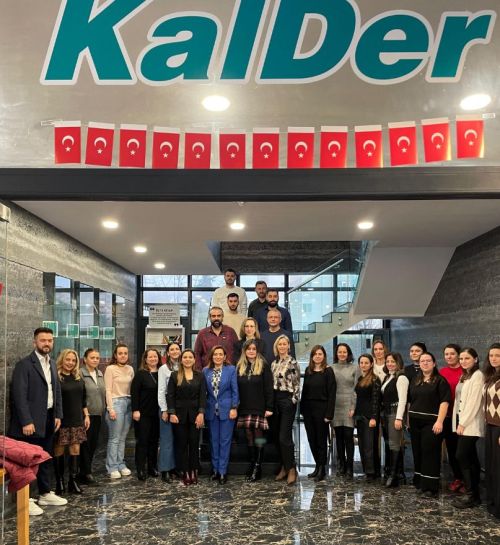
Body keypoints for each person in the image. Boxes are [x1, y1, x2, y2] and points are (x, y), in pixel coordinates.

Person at [8, 327, 67, 515]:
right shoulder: (24, 365)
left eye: (50, 340)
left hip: (48, 419)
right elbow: (19, 396)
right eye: (43, 340)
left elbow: (56, 391)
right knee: (27, 462)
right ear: (35, 342)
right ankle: (25, 500)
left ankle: (45, 493)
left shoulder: (52, 364)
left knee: (45, 457)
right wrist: (26, 421)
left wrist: (58, 414)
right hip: (30, 423)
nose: (47, 343)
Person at [408, 352, 450, 497]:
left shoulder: (440, 381)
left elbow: (444, 402)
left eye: (428, 361)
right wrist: (407, 419)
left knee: (430, 453)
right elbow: (411, 401)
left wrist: (440, 421)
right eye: (422, 361)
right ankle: (421, 483)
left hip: (432, 422)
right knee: (418, 452)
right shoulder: (416, 379)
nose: (425, 363)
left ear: (434, 363)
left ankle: (431, 487)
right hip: (415, 421)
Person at [236, 339, 274, 482]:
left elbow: (269, 388)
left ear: (257, 351)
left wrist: (269, 407)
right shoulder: (239, 366)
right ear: (244, 351)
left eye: (254, 349)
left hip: (259, 406)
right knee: (248, 435)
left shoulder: (263, 365)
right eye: (248, 349)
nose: (251, 351)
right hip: (244, 406)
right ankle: (252, 463)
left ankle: (258, 466)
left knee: (259, 436)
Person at [451, 348, 484, 509]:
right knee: (471, 457)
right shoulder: (465, 375)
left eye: (467, 358)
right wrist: (457, 421)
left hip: (470, 423)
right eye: (461, 359)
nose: (463, 361)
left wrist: (462, 423)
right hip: (462, 420)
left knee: (462, 455)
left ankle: (471, 494)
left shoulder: (478, 375)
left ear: (475, 359)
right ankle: (474, 495)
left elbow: (473, 402)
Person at [167, 349, 206, 486]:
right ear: (181, 360)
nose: (188, 359)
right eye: (185, 357)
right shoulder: (174, 375)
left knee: (194, 444)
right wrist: (172, 413)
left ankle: (194, 470)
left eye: (190, 357)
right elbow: (170, 395)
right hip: (179, 415)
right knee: (182, 444)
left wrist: (201, 413)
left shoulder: (200, 375)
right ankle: (185, 471)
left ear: (194, 360)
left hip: (196, 415)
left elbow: (202, 396)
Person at [53, 349, 89, 495]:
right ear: (62, 359)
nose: (70, 363)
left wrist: (86, 415)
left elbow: (83, 398)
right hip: (61, 419)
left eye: (73, 360)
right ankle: (59, 482)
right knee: (59, 450)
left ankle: (72, 481)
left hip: (77, 418)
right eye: (68, 359)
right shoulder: (56, 377)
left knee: (75, 449)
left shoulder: (78, 377)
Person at [203, 346, 239, 484]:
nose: (217, 357)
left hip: (227, 410)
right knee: (214, 441)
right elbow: (204, 392)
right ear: (211, 357)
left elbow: (235, 390)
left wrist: (234, 407)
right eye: (215, 354)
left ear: (224, 357)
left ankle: (223, 471)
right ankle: (215, 470)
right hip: (211, 410)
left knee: (225, 441)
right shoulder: (206, 371)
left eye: (220, 354)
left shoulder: (231, 370)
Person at [300, 345, 336, 482]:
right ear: (312, 356)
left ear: (324, 356)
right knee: (311, 439)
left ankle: (322, 469)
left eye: (320, 354)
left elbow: (332, 393)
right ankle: (317, 466)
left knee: (321, 440)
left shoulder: (328, 371)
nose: (317, 356)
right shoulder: (308, 370)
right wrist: (302, 410)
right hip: (308, 409)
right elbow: (304, 391)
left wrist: (329, 414)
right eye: (315, 354)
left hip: (322, 409)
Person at [272, 335, 300, 485]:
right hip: (275, 401)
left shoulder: (292, 362)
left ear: (288, 346)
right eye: (280, 344)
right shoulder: (274, 363)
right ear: (276, 347)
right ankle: (284, 466)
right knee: (277, 437)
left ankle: (292, 469)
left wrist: (292, 401)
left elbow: (297, 385)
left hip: (287, 401)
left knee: (285, 437)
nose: (282, 346)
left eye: (284, 344)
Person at [104, 343, 134, 479]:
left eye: (125, 353)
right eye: (120, 353)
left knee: (123, 438)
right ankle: (112, 467)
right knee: (114, 438)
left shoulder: (130, 369)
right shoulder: (110, 369)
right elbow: (108, 390)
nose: (123, 355)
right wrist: (110, 408)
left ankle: (121, 464)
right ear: (115, 355)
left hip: (128, 403)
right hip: (116, 403)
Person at [380, 352, 409, 488]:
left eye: (393, 361)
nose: (390, 364)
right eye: (388, 361)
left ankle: (393, 476)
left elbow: (403, 400)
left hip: (395, 414)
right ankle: (397, 474)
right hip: (386, 414)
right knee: (389, 444)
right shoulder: (388, 377)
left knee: (395, 445)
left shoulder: (401, 378)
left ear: (398, 363)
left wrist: (399, 418)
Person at [131, 349, 160, 480]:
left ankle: (152, 467)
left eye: (155, 356)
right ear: (145, 359)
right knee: (142, 441)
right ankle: (141, 468)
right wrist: (135, 410)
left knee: (154, 441)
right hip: (143, 413)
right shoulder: (140, 374)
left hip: (157, 413)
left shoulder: (161, 372)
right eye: (150, 357)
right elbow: (134, 393)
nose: (153, 359)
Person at [78, 348, 105, 485]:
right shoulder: (80, 373)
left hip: (98, 414)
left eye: (97, 358)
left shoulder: (99, 373)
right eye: (92, 357)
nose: (95, 360)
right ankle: (85, 473)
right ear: (85, 359)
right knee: (85, 445)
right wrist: (85, 413)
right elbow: (81, 395)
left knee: (93, 444)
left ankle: (87, 470)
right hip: (86, 415)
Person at [439, 343, 464, 492]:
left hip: (462, 416)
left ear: (458, 355)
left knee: (464, 450)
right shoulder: (442, 372)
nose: (449, 356)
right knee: (452, 448)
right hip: (448, 416)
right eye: (446, 354)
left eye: (452, 354)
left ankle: (467, 480)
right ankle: (458, 478)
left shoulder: (465, 371)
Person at [332, 343, 357, 479]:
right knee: (339, 437)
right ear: (336, 354)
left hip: (349, 405)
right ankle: (341, 464)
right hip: (336, 405)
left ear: (348, 354)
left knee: (348, 436)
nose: (342, 354)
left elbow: (356, 389)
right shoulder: (331, 368)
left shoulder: (355, 368)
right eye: (339, 352)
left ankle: (350, 467)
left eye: (344, 352)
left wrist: (353, 407)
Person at [353, 354, 381, 481]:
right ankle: (367, 470)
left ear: (371, 364)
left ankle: (371, 472)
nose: (363, 365)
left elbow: (376, 400)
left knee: (369, 445)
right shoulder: (360, 378)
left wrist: (374, 417)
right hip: (360, 416)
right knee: (362, 445)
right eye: (361, 363)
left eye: (366, 363)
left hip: (370, 417)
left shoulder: (375, 379)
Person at [157, 342, 181, 482]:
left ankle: (174, 468)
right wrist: (164, 410)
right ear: (167, 352)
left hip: (180, 406)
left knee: (177, 439)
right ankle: (165, 470)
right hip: (166, 405)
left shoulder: (183, 365)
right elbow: (161, 390)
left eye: (177, 349)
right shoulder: (163, 368)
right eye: (172, 349)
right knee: (166, 439)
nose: (175, 351)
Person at [483, 342, 500, 519]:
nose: (494, 358)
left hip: (499, 427)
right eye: (491, 355)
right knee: (491, 466)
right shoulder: (491, 376)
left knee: (498, 467)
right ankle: (493, 501)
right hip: (489, 425)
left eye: (498, 355)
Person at [371, 339, 389, 477]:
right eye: (375, 349)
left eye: (380, 349)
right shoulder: (370, 365)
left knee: (388, 438)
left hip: (387, 405)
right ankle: (375, 469)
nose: (378, 352)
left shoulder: (389, 364)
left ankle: (389, 468)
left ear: (385, 350)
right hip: (373, 406)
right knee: (373, 438)